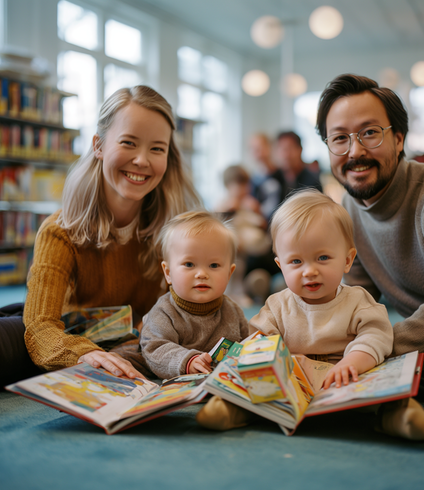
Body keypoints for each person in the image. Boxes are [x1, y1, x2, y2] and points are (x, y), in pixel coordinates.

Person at [0, 85, 201, 387]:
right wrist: (85, 355)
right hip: (67, 340)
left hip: (134, 349)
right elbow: (40, 327)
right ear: (98, 145)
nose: (142, 160)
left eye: (157, 148)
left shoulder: (173, 232)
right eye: (129, 143)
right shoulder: (60, 231)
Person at [197, 190, 424, 440]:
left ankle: (398, 417)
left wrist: (353, 361)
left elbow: (376, 335)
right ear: (280, 266)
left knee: (387, 389)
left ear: (347, 260)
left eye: (322, 258)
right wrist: (248, 356)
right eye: (296, 262)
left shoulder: (357, 301)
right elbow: (258, 339)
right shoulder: (277, 306)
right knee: (253, 387)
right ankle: (233, 411)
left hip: (344, 379)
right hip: (291, 384)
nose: (309, 271)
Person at [315, 73, 424, 405]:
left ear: (398, 139)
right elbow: (353, 297)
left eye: (369, 133)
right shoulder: (350, 209)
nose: (355, 151)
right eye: (339, 138)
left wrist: (374, 347)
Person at [140, 210, 249, 379]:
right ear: (168, 273)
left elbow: (246, 345)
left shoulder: (233, 311)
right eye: (189, 264)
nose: (202, 274)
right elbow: (155, 348)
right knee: (125, 357)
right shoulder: (164, 312)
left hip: (219, 382)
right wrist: (187, 361)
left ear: (229, 273)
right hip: (173, 378)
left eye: (213, 265)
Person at [215, 165, 271, 306]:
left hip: (249, 251)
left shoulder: (248, 204)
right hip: (228, 248)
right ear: (228, 186)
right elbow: (215, 226)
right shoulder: (223, 205)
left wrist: (257, 211)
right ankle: (230, 293)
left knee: (241, 266)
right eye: (239, 185)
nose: (244, 189)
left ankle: (246, 289)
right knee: (232, 266)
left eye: (246, 185)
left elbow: (261, 225)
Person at [248, 133, 287, 221]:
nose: (257, 153)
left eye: (259, 148)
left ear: (269, 147)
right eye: (252, 149)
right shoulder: (253, 179)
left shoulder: (283, 174)